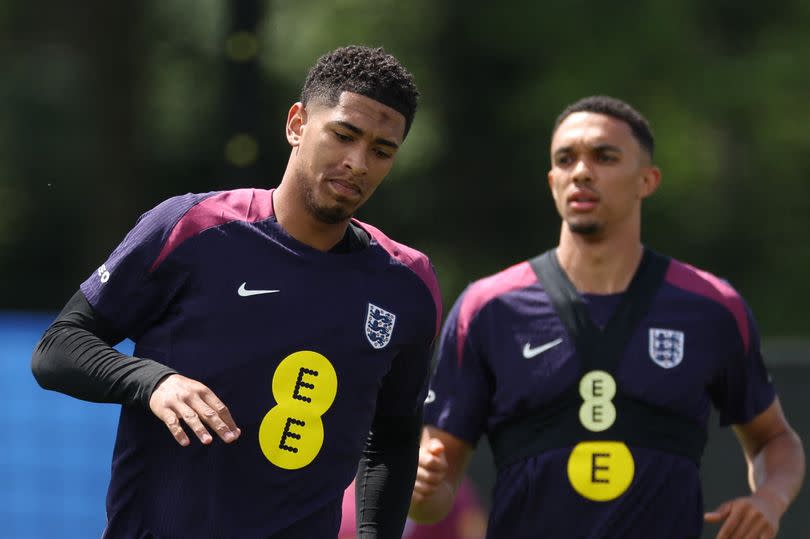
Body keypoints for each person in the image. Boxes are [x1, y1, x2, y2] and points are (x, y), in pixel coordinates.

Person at [31, 45, 442, 539]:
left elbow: (394, 437)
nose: (358, 163)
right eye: (344, 135)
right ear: (296, 124)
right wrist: (153, 382)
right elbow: (57, 348)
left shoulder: (407, 285)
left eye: (381, 151)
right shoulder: (191, 228)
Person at [409, 95, 804, 539]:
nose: (581, 171)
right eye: (565, 159)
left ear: (647, 180)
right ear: (552, 180)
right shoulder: (488, 307)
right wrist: (422, 492)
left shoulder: (712, 306)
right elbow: (436, 492)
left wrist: (769, 500)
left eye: (604, 156)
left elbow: (775, 440)